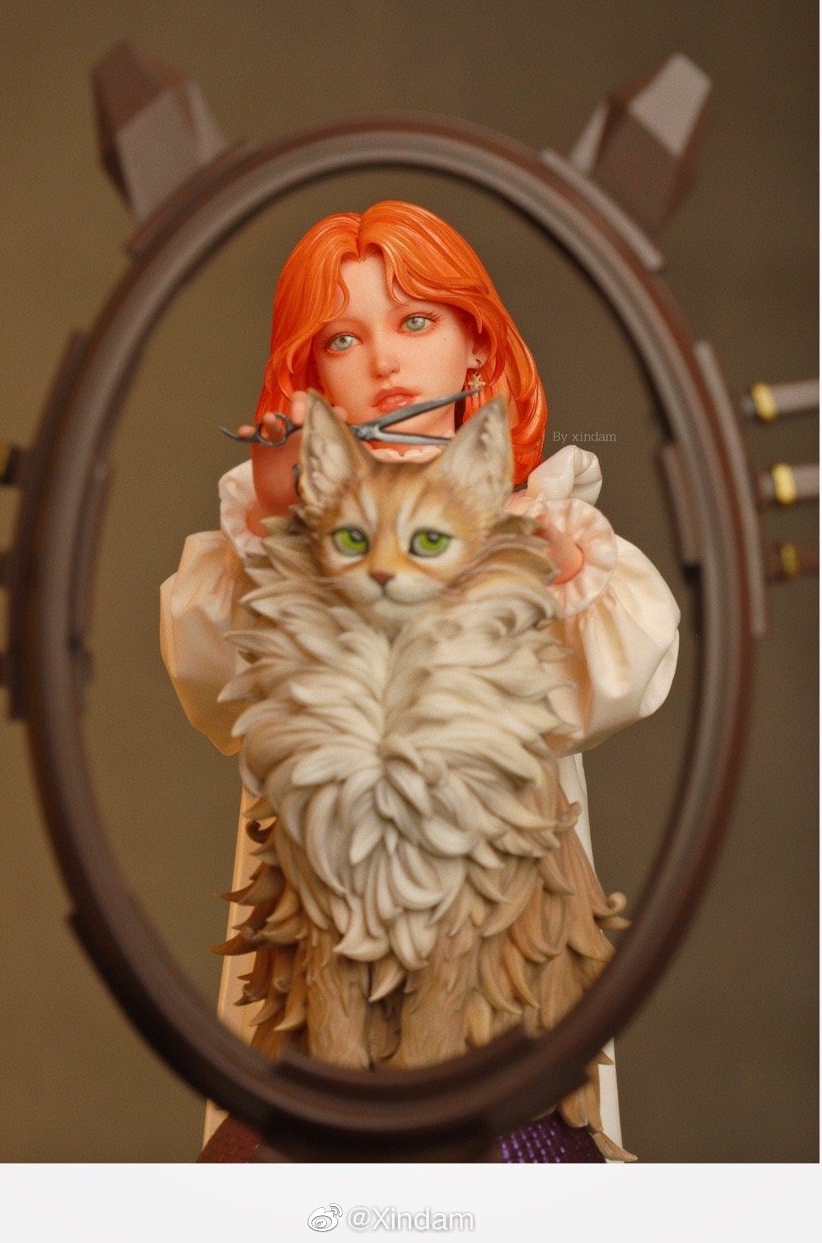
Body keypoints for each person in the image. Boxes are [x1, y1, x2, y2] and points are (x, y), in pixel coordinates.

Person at [159, 200, 680, 1157]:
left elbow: (616, 682)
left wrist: (557, 572)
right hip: (324, 964)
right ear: (309, 375)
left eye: (415, 321)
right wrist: (274, 526)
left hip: (495, 972)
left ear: (475, 345)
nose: (385, 364)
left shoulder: (537, 515)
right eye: (342, 340)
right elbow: (218, 689)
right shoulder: (277, 529)